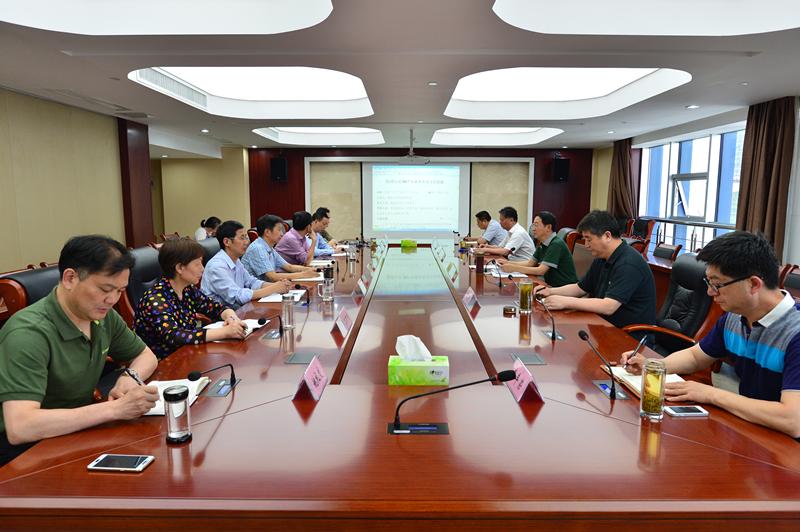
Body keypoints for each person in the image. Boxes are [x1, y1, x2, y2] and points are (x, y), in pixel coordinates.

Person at [0, 235, 160, 466]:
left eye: (120, 290)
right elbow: (21, 427)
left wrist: (130, 377)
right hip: (25, 453)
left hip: (76, 431)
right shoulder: (28, 333)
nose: (112, 299)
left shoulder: (102, 316)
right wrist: (115, 409)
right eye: (105, 289)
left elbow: (145, 355)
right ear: (70, 278)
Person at [623, 232, 800, 439]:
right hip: (754, 430)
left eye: (717, 285)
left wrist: (711, 394)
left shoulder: (794, 333)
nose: (710, 292)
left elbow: (792, 420)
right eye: (709, 283)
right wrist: (654, 366)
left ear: (753, 284)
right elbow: (695, 357)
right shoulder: (735, 318)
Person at [536, 210, 656, 328]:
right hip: (602, 323)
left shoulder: (628, 264)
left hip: (629, 333)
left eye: (589, 239)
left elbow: (609, 306)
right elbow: (580, 288)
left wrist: (565, 302)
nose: (586, 245)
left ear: (607, 236)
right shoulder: (602, 257)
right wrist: (550, 291)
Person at [135, 238, 247, 359]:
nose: (202, 269)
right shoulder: (154, 300)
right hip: (164, 362)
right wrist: (225, 332)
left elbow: (216, 307)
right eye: (197, 264)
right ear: (179, 268)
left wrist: (232, 319)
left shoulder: (188, 290)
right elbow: (174, 336)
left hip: (188, 354)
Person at [201, 220, 290, 308]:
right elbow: (237, 296)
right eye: (242, 238)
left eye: (246, 237)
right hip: (223, 313)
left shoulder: (236, 260)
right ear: (227, 242)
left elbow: (251, 282)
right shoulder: (216, 266)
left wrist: (279, 285)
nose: (247, 242)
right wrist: (273, 288)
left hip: (238, 309)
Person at [498, 211, 577, 287]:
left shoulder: (556, 244)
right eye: (533, 225)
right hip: (551, 285)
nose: (533, 229)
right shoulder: (543, 244)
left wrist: (514, 268)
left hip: (564, 288)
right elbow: (530, 263)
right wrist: (508, 263)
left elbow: (541, 270)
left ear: (548, 227)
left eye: (536, 225)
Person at [242, 214, 317, 281]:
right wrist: (303, 274)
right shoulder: (258, 248)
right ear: (267, 232)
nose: (282, 234)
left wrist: (311, 269)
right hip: (255, 290)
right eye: (279, 230)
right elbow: (272, 276)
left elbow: (289, 267)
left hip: (268, 286)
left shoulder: (269, 247)